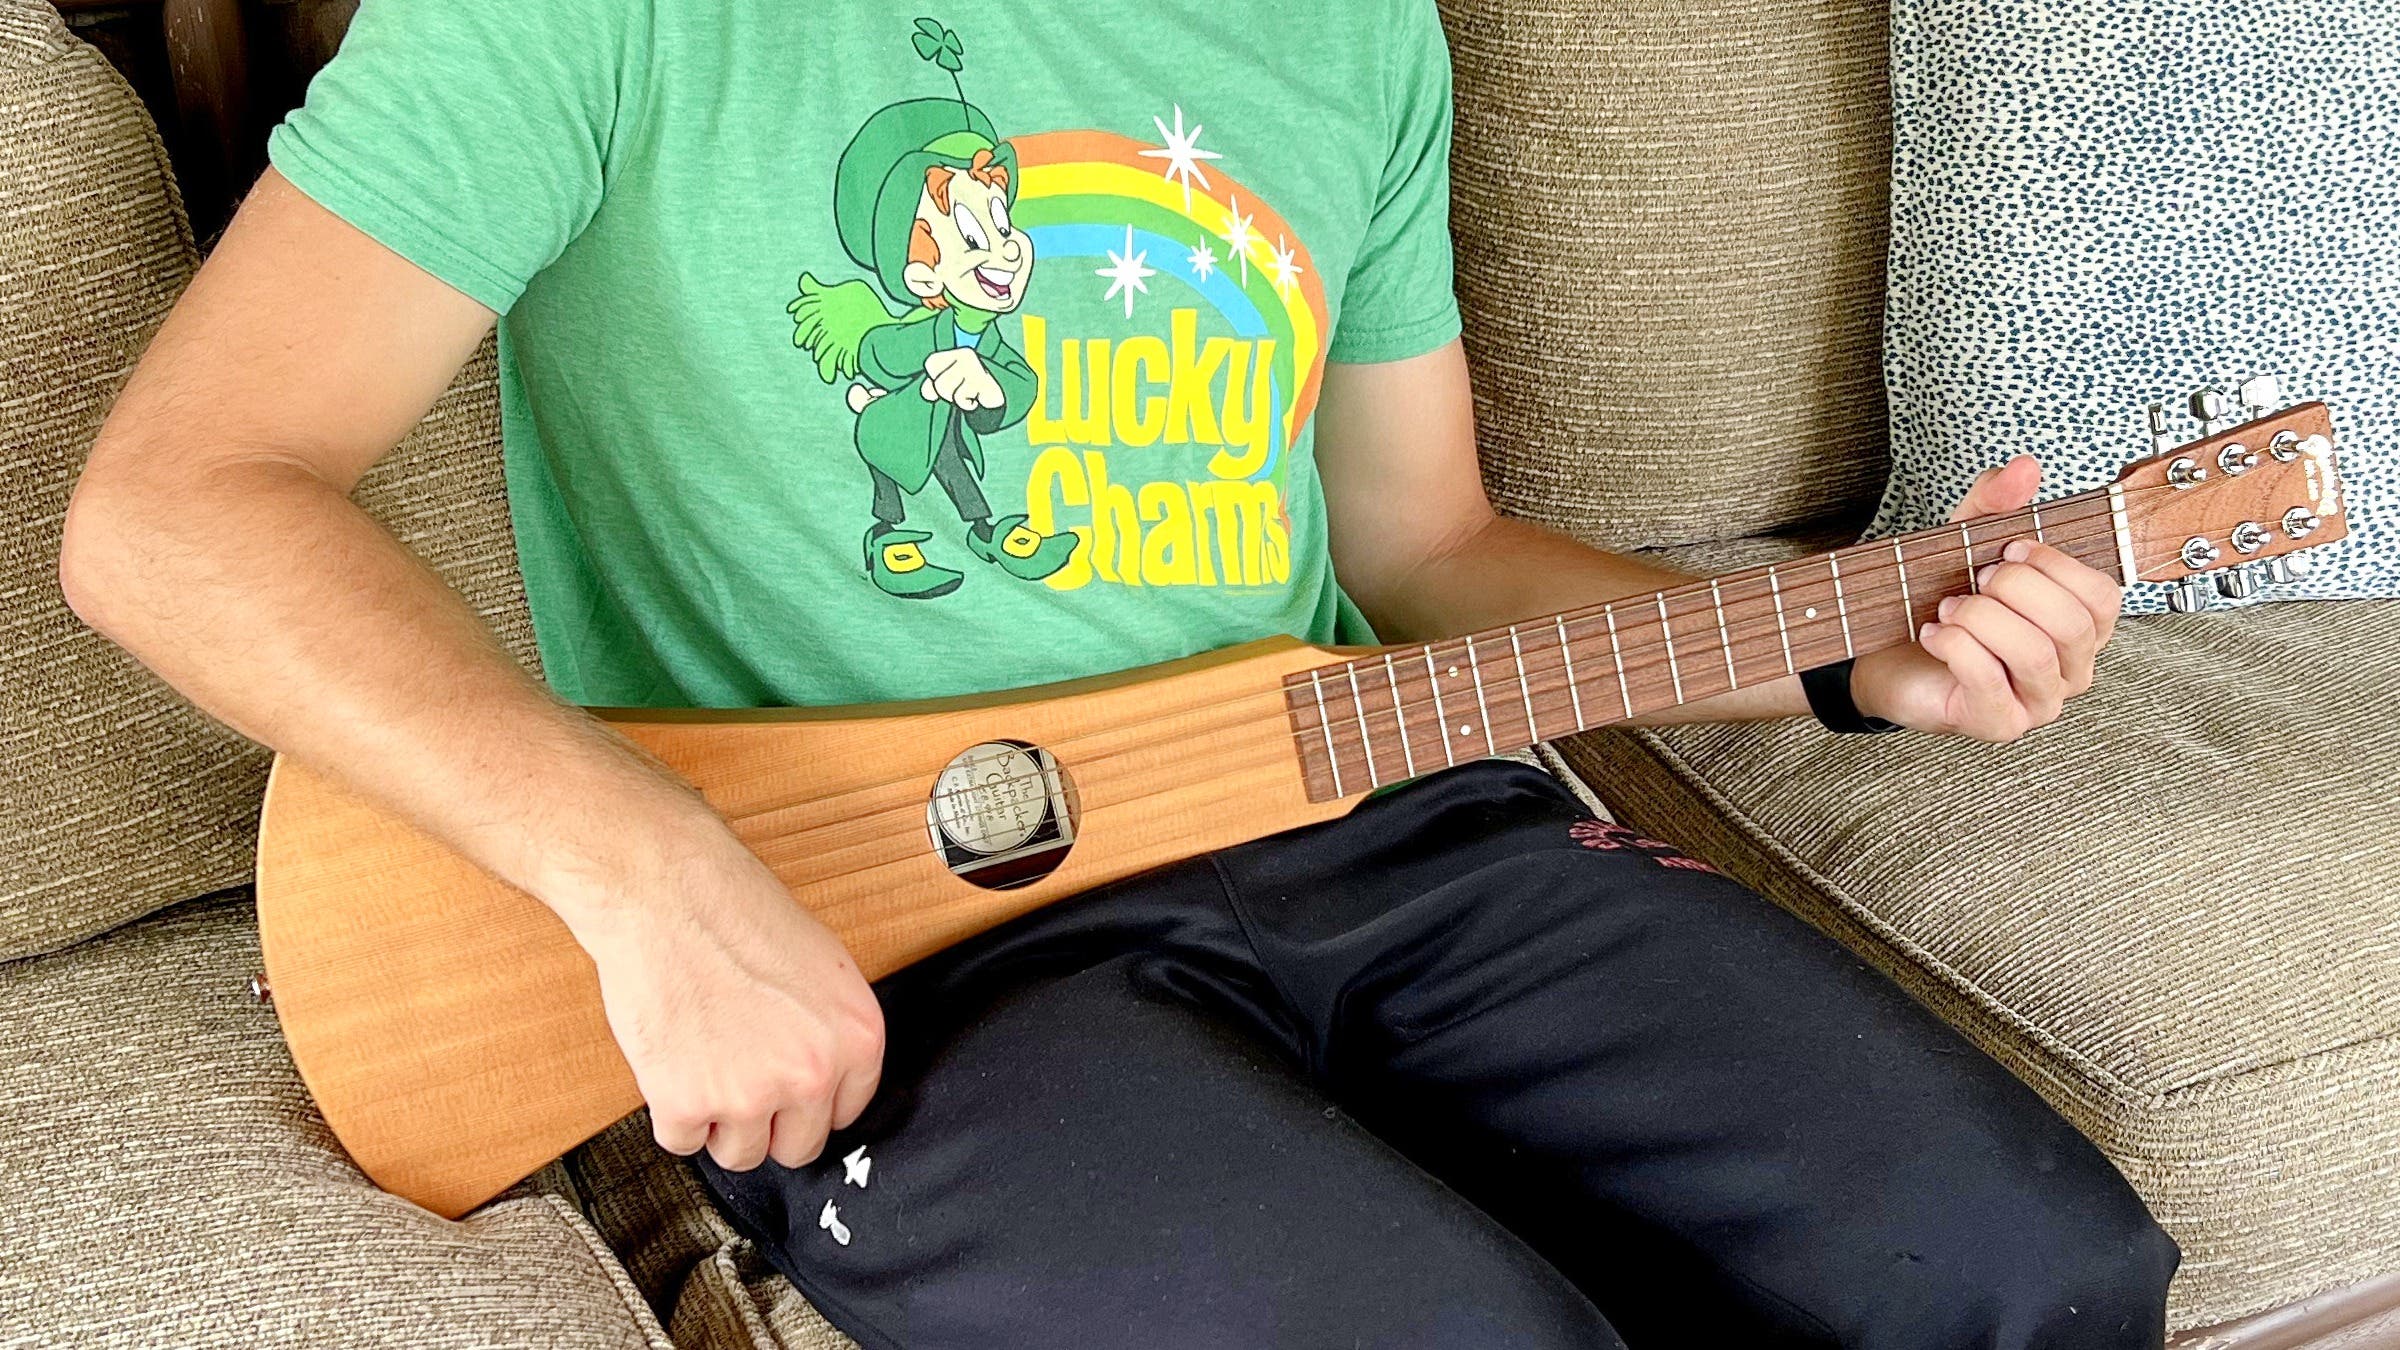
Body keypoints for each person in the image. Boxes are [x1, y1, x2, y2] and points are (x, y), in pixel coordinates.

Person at [58, 2, 2179, 1345]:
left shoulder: (1357, 38)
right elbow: (174, 507)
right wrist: (642, 876)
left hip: (1391, 827)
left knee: (2042, 1280)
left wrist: (1839, 659)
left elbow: (1414, 546)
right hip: (896, 944)